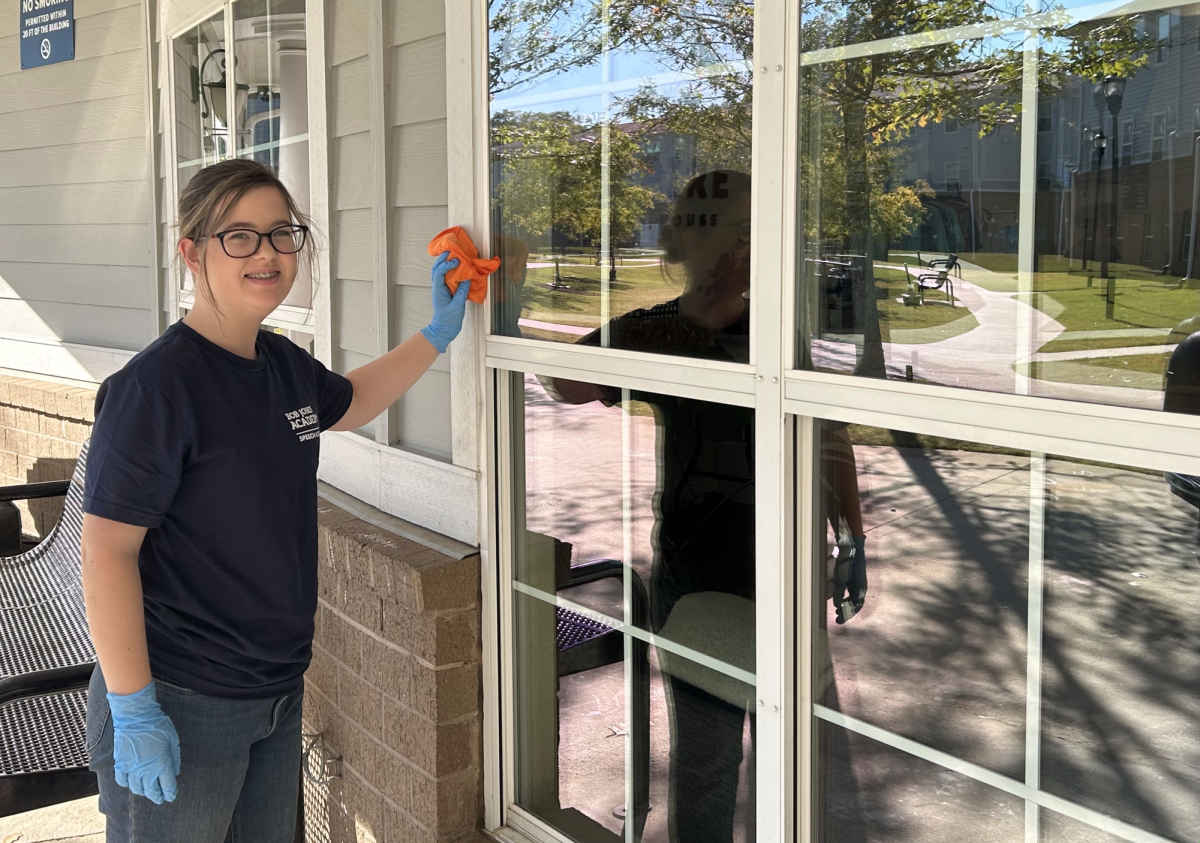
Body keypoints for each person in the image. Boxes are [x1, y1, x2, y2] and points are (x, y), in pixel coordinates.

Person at [80, 158, 473, 842]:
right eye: (239, 236)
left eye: (280, 234)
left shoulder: (282, 364)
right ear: (191, 252)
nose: (265, 253)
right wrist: (135, 708)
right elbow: (106, 550)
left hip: (275, 690)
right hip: (181, 696)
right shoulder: (157, 388)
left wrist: (436, 333)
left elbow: (351, 401)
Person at [541, 171, 868, 842]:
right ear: (685, 241)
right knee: (710, 762)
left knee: (802, 757)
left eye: (746, 228)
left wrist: (851, 538)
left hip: (787, 573)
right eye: (712, 224)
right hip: (698, 579)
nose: (737, 241)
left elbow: (828, 439)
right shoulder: (660, 332)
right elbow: (563, 379)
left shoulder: (779, 333)